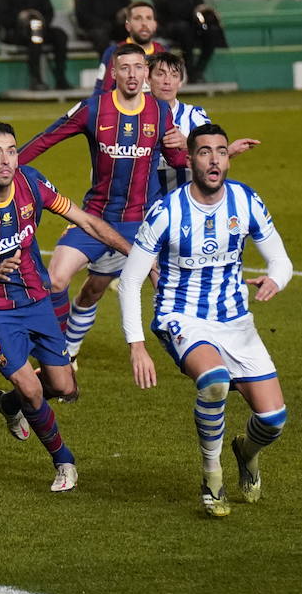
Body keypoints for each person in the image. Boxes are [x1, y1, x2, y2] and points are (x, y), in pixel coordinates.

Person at [0, 123, 133, 492]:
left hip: (34, 297)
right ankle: (64, 461)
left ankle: (10, 405)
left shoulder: (32, 184)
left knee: (64, 386)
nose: (6, 160)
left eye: (12, 150)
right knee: (33, 389)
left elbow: (84, 220)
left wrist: (135, 252)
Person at [118, 123, 293, 517]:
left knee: (273, 420)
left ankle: (245, 452)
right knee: (213, 382)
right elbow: (130, 282)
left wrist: (275, 279)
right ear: (191, 159)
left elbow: (281, 260)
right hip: (182, 317)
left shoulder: (246, 201)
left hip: (235, 321)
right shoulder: (167, 211)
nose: (214, 160)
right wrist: (137, 346)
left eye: (221, 152)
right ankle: (211, 475)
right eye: (204, 152)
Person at [61, 52, 259, 365]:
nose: (166, 81)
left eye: (173, 75)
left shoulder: (196, 118)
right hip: (134, 216)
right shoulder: (132, 114)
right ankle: (68, 352)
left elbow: (210, 162)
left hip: (183, 221)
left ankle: (208, 355)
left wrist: (206, 148)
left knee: (189, 288)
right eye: (160, 75)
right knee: (94, 287)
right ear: (148, 80)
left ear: (181, 80)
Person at [19, 44, 184, 350]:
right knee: (55, 279)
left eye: (138, 67)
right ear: (114, 73)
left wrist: (186, 147)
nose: (132, 74)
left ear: (146, 72)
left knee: (163, 287)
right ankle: (59, 350)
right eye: (125, 68)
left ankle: (198, 350)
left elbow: (178, 162)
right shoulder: (93, 109)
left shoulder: (160, 111)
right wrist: (9, 163)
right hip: (95, 218)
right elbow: (47, 138)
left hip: (140, 223)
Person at [151, 0, 224, 84]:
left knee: (211, 31)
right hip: (168, 26)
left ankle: (198, 71)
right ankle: (189, 72)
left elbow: (199, 3)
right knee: (185, 30)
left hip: (190, 24)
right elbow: (160, 4)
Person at [94, 1, 166, 94]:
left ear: (155, 25)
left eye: (148, 18)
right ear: (128, 26)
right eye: (138, 18)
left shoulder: (162, 52)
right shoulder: (115, 52)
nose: (144, 23)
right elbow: (101, 93)